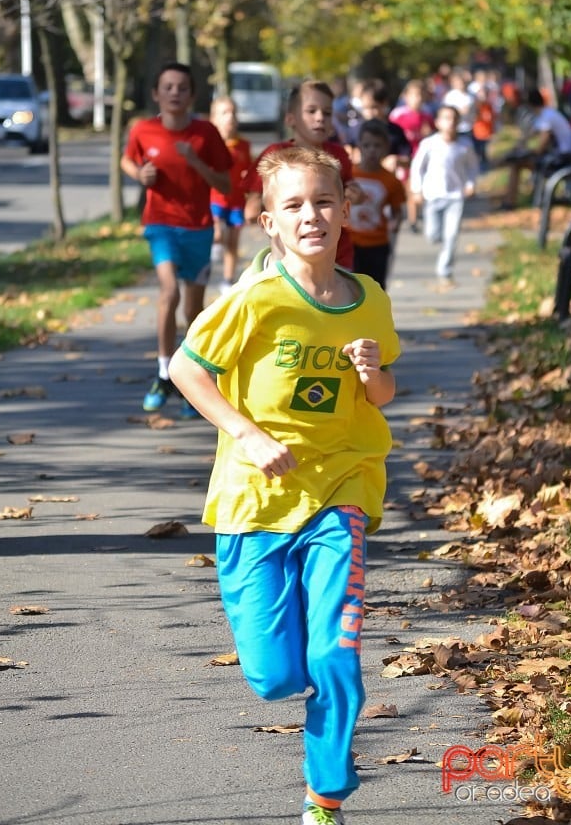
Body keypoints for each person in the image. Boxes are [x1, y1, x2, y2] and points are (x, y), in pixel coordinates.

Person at [168, 146, 400, 825]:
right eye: (293, 206)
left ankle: (325, 795)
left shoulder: (370, 300)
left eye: (324, 202)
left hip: (342, 488)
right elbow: (187, 369)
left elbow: (383, 394)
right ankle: (304, 696)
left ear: (345, 206)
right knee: (274, 676)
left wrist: (369, 371)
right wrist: (247, 433)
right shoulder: (256, 299)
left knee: (335, 651)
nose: (312, 216)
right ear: (269, 222)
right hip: (255, 502)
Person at [120, 62, 232, 413]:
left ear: (192, 95)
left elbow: (226, 185)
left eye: (182, 87)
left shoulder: (206, 134)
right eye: (167, 87)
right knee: (169, 291)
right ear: (156, 94)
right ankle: (164, 372)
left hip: (198, 227)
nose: (174, 93)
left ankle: (189, 380)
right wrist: (140, 173)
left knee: (193, 308)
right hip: (160, 225)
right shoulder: (144, 130)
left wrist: (196, 162)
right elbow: (127, 160)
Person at [242, 79, 358, 269]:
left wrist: (355, 194)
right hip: (289, 254)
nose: (320, 117)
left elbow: (349, 190)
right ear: (290, 119)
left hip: (337, 254)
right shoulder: (276, 154)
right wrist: (256, 206)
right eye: (311, 111)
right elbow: (254, 200)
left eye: (327, 113)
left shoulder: (338, 155)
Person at [410, 104, 478, 288]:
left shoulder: (465, 146)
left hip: (455, 197)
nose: (451, 122)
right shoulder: (429, 144)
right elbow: (417, 167)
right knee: (433, 235)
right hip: (433, 195)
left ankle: (445, 271)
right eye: (446, 118)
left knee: (452, 235)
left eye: (454, 119)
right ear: (438, 123)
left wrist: (470, 185)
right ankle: (438, 239)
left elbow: (472, 167)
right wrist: (416, 190)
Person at [349, 119, 406, 288]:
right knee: (350, 288)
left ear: (386, 148)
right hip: (349, 242)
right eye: (367, 145)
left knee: (376, 287)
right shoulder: (349, 174)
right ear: (359, 146)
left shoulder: (391, 181)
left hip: (378, 243)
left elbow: (397, 210)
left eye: (377, 145)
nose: (372, 151)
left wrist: (395, 223)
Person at [502, 88, 571, 209]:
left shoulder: (546, 117)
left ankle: (510, 203)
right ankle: (513, 201)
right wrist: (520, 146)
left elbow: (540, 147)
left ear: (529, 104)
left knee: (516, 165)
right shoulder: (546, 114)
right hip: (562, 156)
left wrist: (525, 151)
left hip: (563, 159)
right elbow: (532, 136)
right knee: (517, 163)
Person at [208, 95, 253, 294]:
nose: (230, 117)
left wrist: (248, 182)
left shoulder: (243, 146)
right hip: (214, 198)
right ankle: (215, 242)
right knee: (217, 234)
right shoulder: (208, 144)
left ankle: (228, 280)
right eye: (224, 113)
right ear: (213, 119)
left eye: (233, 112)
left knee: (233, 243)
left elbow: (249, 171)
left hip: (236, 201)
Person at [388, 79, 435, 231]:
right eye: (414, 95)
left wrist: (429, 134)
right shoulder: (398, 114)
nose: (418, 98)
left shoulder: (427, 116)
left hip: (420, 158)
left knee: (414, 188)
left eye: (421, 95)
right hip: (404, 158)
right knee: (403, 188)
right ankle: (398, 214)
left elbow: (432, 136)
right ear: (406, 96)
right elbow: (391, 134)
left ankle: (413, 219)